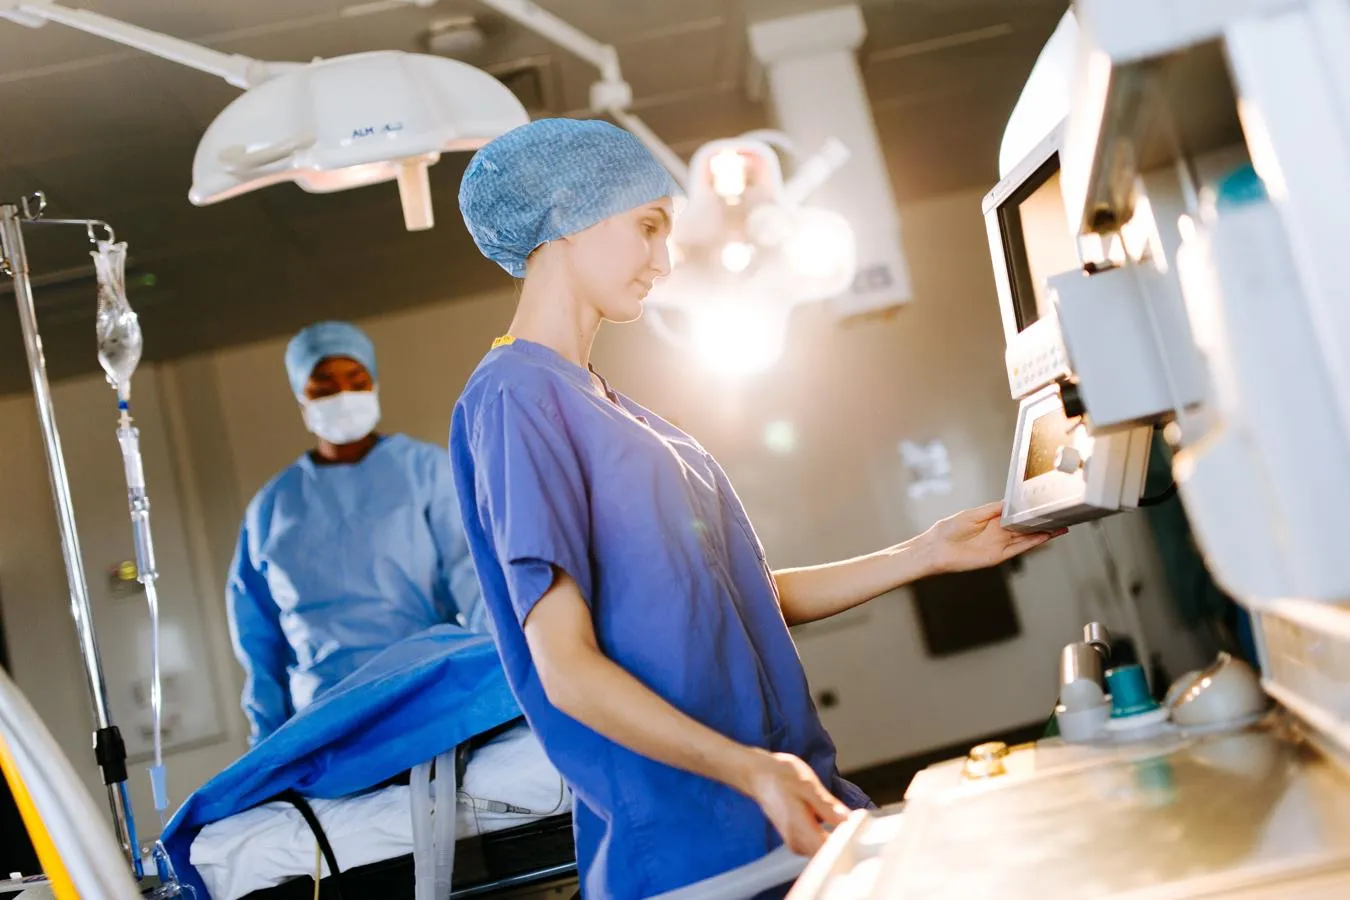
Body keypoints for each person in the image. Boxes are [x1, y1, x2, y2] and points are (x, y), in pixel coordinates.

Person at [450, 118, 1058, 899]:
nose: (664, 262)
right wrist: (749, 771)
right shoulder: (515, 397)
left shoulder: (615, 409)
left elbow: (741, 598)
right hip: (696, 846)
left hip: (785, 809)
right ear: (567, 211)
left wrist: (928, 552)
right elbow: (565, 672)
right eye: (648, 228)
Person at [227, 321, 485, 746]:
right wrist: (268, 744)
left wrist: (502, 681)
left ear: (374, 384)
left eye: (355, 380)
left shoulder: (426, 473)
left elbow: (477, 585)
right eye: (323, 386)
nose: (341, 395)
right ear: (301, 396)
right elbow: (259, 643)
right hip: (324, 719)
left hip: (423, 695)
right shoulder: (273, 507)